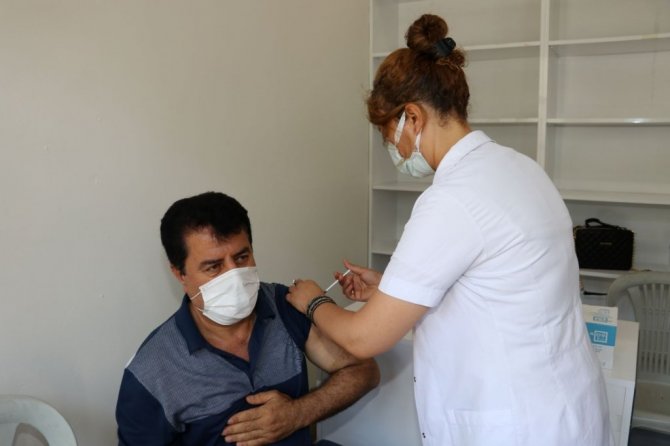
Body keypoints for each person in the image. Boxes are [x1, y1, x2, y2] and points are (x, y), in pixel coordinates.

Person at [287, 14, 612, 446]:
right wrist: (390, 288)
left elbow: (364, 339)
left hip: (517, 424)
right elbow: (500, 281)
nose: (392, 149)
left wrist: (314, 301)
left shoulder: (452, 199)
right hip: (569, 404)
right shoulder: (520, 168)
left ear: (412, 118)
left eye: (388, 135)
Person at [115, 191, 379, 446]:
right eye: (214, 266)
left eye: (242, 257)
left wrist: (297, 413)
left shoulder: (284, 305)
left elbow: (363, 371)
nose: (235, 276)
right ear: (180, 274)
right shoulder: (152, 371)